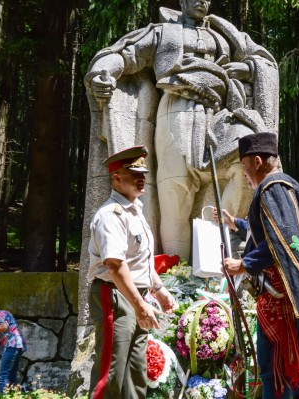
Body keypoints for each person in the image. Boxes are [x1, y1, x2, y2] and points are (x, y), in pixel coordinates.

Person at [84, 0, 279, 260]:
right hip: (176, 109)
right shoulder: (161, 32)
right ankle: (177, 272)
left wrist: (248, 68)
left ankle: (222, 245)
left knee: (247, 155)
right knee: (176, 196)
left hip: (218, 113)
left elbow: (264, 61)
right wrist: (102, 72)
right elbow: (123, 54)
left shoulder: (224, 35)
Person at [222, 132, 299, 399]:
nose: (244, 174)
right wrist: (239, 226)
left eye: (244, 167)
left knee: (274, 372)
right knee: (290, 371)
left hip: (283, 300)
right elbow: (271, 231)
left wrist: (243, 265)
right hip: (292, 296)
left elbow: (285, 239)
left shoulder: (272, 186)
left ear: (256, 161)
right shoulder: (283, 185)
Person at [87, 145, 177, 399]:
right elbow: (115, 265)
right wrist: (138, 304)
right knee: (112, 372)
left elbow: (140, 259)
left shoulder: (134, 211)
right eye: (134, 173)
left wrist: (158, 289)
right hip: (115, 296)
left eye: (143, 173)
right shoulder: (110, 215)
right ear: (116, 178)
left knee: (136, 369)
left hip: (135, 295)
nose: (142, 179)